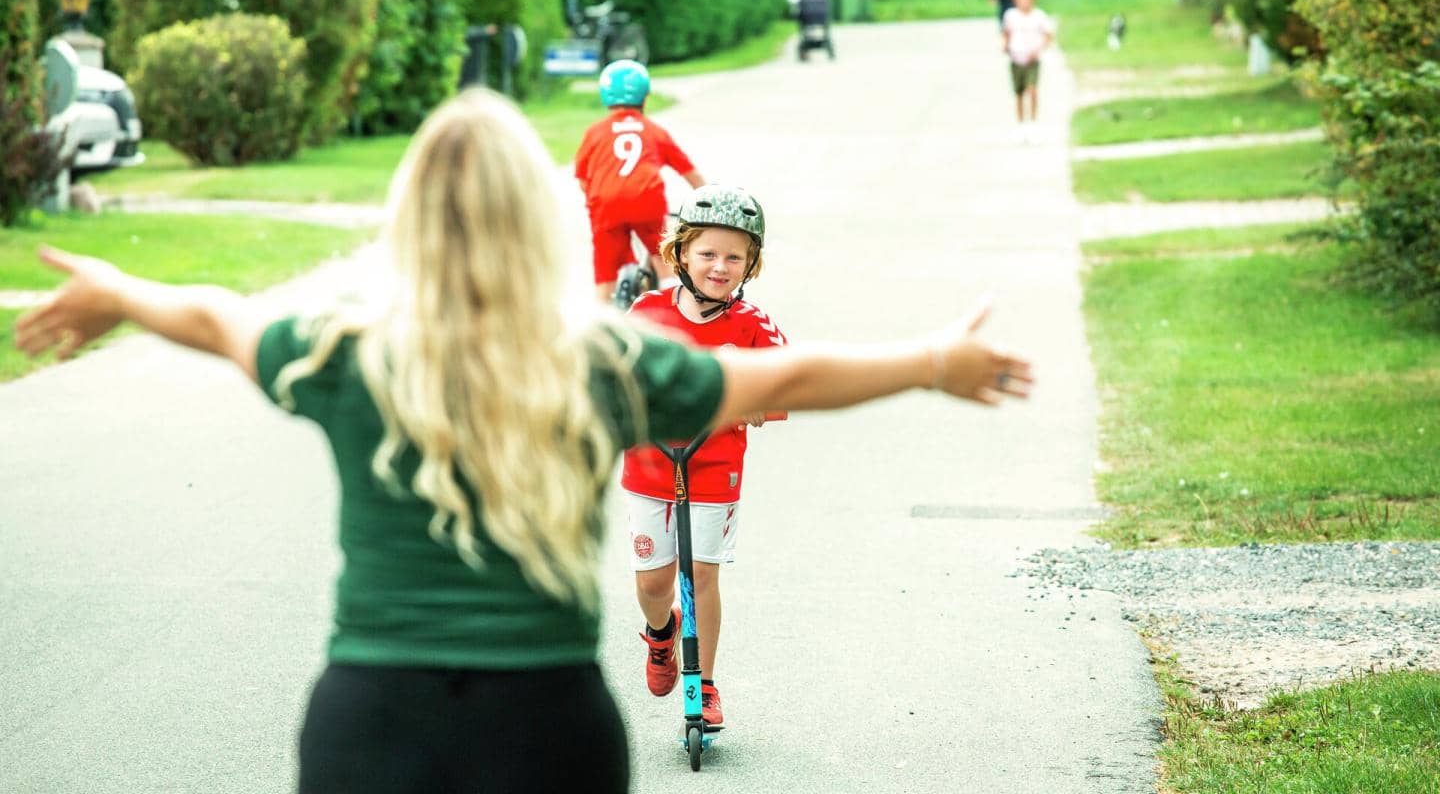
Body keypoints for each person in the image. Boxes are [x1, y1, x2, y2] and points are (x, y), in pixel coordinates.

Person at [14, 88, 1033, 794]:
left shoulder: (340, 352)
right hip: (545, 721)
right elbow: (792, 377)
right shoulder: (599, 360)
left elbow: (213, 316)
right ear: (541, 222)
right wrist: (932, 362)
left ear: (405, 219)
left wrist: (119, 292)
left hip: (371, 715)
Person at [621, 184, 782, 728]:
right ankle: (661, 636)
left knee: (702, 575)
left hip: (714, 467)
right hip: (649, 465)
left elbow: (787, 379)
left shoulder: (753, 326)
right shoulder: (646, 312)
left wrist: (762, 401)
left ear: (750, 264)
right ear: (681, 253)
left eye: (734, 256)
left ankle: (705, 683)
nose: (720, 266)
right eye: (708, 253)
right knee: (653, 581)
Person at [575, 59, 705, 303]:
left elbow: (583, 178)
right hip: (647, 201)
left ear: (606, 96)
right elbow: (689, 172)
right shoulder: (653, 130)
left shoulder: (595, 132)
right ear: (645, 97)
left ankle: (603, 322)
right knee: (663, 256)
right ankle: (671, 306)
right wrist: (709, 199)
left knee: (605, 271)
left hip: (605, 204)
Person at [1001, 0, 1055, 126]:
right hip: (1016, 57)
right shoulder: (1010, 15)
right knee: (1018, 93)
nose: (1024, 2)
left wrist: (1038, 50)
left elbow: (1049, 36)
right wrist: (1005, 45)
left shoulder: (1039, 16)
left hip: (1032, 58)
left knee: (1032, 90)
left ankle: (1033, 122)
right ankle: (1021, 124)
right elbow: (1006, 33)